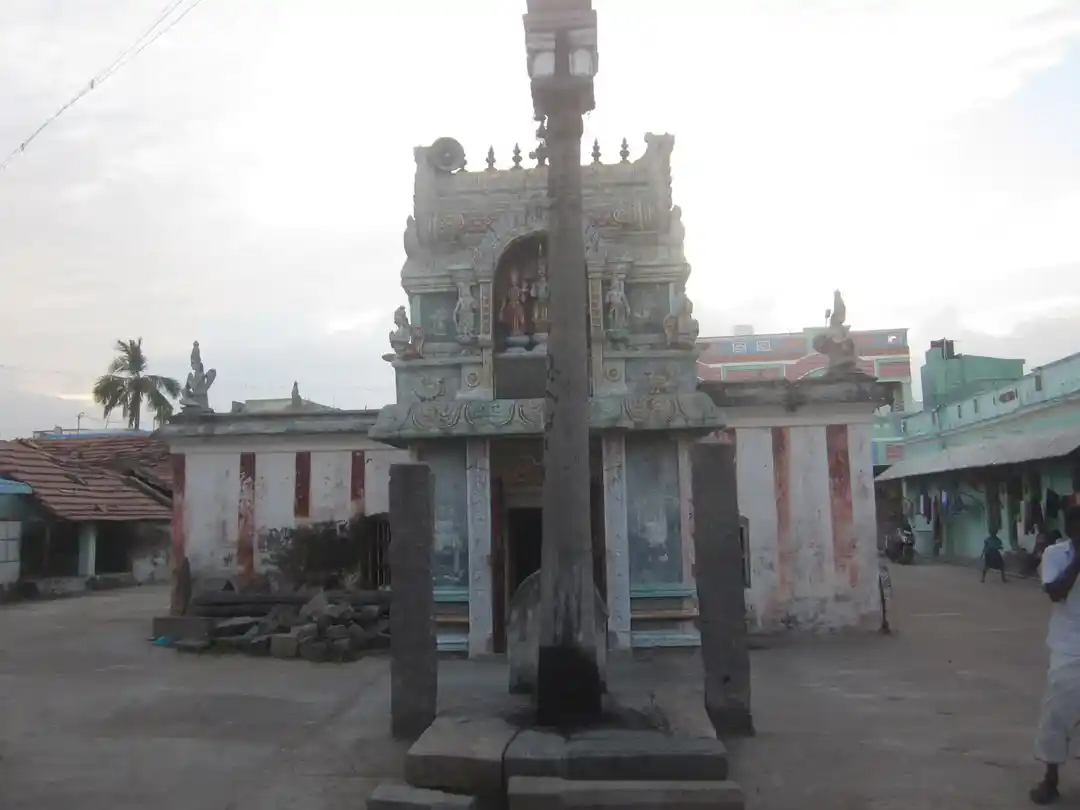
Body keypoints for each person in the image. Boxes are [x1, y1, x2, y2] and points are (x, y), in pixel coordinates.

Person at [1031, 507, 1080, 804]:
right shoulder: (1055, 554)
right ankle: (1050, 780)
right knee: (1056, 716)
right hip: (1068, 648)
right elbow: (1055, 592)